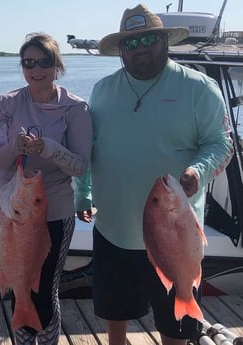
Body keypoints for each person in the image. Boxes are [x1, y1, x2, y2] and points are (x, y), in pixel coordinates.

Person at [74, 4, 233, 345]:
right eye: (130, 43)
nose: (140, 48)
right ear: (120, 50)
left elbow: (222, 145)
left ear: (163, 40)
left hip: (176, 237)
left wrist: (198, 172)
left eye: (147, 38)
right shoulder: (102, 90)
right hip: (113, 230)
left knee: (175, 328)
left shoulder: (199, 88)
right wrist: (82, 192)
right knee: (115, 316)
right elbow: (88, 150)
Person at [0, 33, 92, 345]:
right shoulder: (5, 104)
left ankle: (46, 340)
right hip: (6, 212)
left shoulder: (76, 108)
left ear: (57, 65)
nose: (36, 69)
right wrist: (14, 147)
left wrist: (49, 149)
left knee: (44, 287)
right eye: (29, 63)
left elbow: (81, 166)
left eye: (44, 62)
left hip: (52, 212)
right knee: (17, 284)